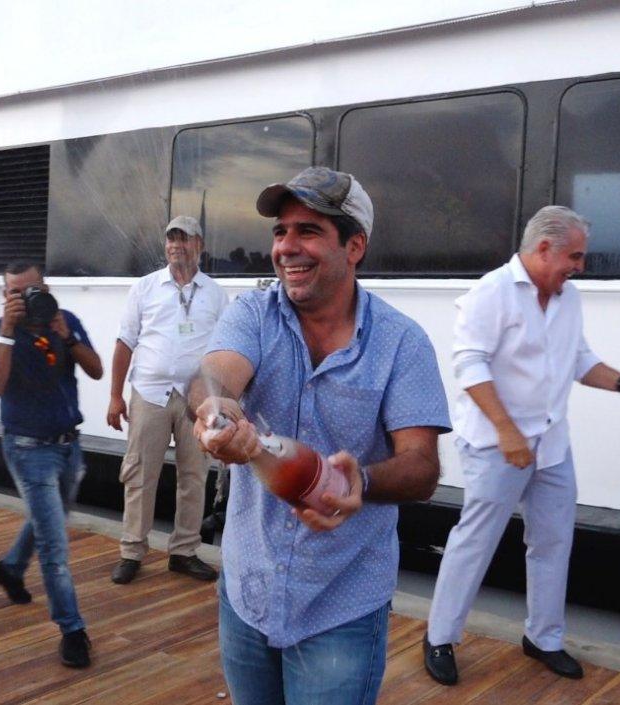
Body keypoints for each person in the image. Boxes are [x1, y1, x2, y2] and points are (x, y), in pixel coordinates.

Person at [192, 167, 450, 704]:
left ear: (355, 246)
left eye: (308, 231)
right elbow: (216, 373)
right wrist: (218, 407)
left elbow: (423, 466)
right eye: (281, 231)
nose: (287, 247)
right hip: (248, 594)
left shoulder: (402, 343)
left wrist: (365, 481)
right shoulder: (253, 314)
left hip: (341, 606)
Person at [423, 206, 620, 686]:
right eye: (574, 256)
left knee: (554, 539)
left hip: (552, 443)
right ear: (542, 249)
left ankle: (544, 638)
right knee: (475, 541)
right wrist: (507, 431)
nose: (579, 265)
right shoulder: (491, 293)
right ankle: (440, 637)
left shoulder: (567, 297)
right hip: (498, 445)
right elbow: (469, 365)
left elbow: (579, 358)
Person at [0, 261, 103, 668]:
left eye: (32, 291)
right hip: (28, 449)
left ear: (45, 288)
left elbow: (97, 370)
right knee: (54, 544)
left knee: (51, 518)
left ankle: (11, 568)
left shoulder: (65, 322)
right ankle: (72, 629)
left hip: (69, 444)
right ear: (5, 295)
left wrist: (69, 339)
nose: (26, 299)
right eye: (16, 293)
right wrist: (9, 332)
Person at [108, 215, 227, 585]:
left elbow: (227, 349)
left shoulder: (216, 293)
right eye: (171, 238)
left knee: (194, 476)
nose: (176, 244)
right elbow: (125, 343)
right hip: (149, 394)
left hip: (197, 400)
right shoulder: (144, 288)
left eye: (185, 238)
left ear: (200, 245)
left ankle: (184, 551)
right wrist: (115, 396)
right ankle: (131, 550)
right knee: (141, 475)